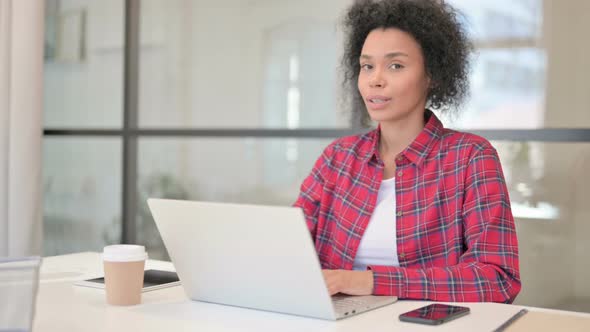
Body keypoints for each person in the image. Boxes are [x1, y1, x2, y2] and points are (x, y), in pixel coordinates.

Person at [293, 0, 521, 303]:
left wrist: (370, 281)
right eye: (367, 66)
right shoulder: (337, 157)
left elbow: (497, 278)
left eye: (395, 65)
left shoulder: (471, 157)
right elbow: (288, 246)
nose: (375, 79)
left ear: (432, 75)